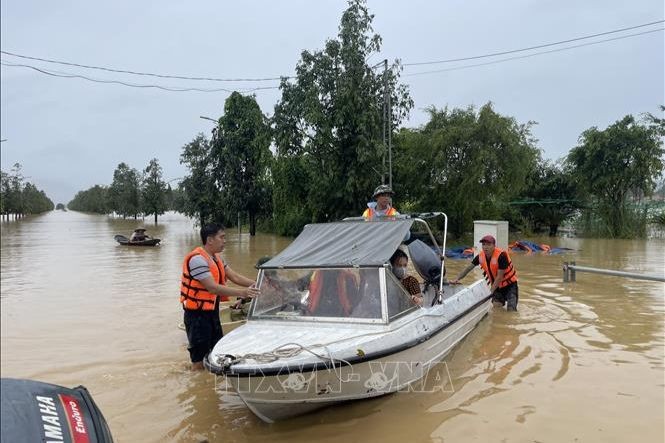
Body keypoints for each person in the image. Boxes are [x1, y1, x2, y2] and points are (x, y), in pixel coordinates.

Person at [180, 223, 260, 370]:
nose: (225, 241)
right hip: (197, 316)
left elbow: (235, 277)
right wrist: (243, 293)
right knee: (199, 361)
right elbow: (212, 288)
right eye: (222, 237)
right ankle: (198, 385)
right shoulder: (197, 260)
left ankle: (209, 383)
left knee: (216, 353)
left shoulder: (217, 258)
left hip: (212, 312)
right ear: (210, 240)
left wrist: (258, 284)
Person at [449, 234, 519, 311]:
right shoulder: (480, 257)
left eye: (488, 244)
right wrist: (457, 279)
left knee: (511, 310)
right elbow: (468, 268)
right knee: (496, 309)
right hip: (497, 287)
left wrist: (491, 291)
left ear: (494, 246)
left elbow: (500, 276)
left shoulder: (502, 256)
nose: (485, 247)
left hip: (510, 286)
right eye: (483, 244)